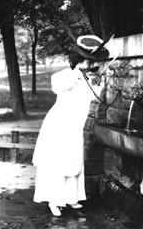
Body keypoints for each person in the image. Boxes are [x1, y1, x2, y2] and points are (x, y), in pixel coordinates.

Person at [32, 35, 110, 217]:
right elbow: (58, 87)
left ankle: (71, 198)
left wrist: (97, 83)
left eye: (91, 62)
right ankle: (54, 200)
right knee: (58, 162)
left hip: (74, 127)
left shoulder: (87, 80)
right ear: (78, 60)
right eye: (86, 61)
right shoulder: (65, 75)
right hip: (58, 126)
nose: (89, 65)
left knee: (73, 162)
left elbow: (94, 98)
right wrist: (77, 73)